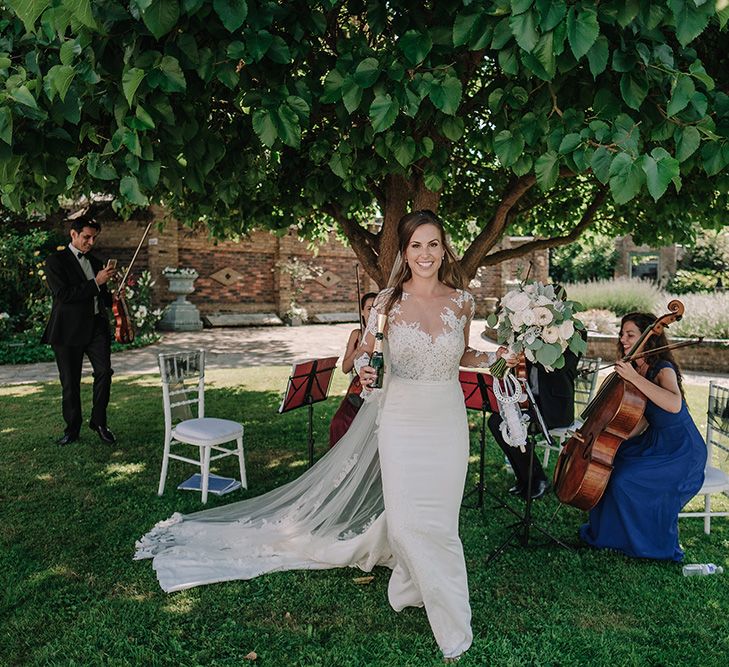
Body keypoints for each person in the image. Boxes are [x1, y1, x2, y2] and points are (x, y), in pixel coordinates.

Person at [135, 210, 513, 662]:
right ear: (405, 251)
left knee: (442, 521)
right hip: (402, 420)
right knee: (409, 522)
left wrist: (498, 358)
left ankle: (412, 586)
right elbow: (366, 358)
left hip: (447, 420)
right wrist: (368, 373)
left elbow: (462, 353)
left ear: (444, 247)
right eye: (416, 245)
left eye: (433, 244)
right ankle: (452, 624)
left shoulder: (463, 302)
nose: (425, 254)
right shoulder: (388, 303)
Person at [579, 312, 707, 561]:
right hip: (655, 441)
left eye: (630, 334)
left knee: (626, 479)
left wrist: (634, 378)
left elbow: (673, 404)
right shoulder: (639, 368)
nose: (624, 339)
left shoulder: (662, 368)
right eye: (622, 334)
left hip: (681, 449)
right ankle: (609, 536)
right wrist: (610, 438)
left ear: (647, 338)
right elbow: (644, 417)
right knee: (611, 466)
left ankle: (646, 544)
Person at [42, 218, 118, 446]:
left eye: (94, 238)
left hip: (96, 327)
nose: (91, 242)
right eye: (86, 237)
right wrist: (96, 282)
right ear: (73, 235)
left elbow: (101, 297)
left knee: (104, 372)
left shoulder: (95, 262)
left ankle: (99, 422)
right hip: (67, 331)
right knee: (70, 382)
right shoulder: (55, 261)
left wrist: (114, 294)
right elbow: (64, 295)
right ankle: (72, 429)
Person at [488, 347, 580, 500]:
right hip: (528, 401)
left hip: (554, 406)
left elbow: (561, 366)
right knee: (496, 422)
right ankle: (524, 478)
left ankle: (539, 479)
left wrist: (534, 349)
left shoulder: (574, 330)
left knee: (514, 424)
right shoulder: (527, 328)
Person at [329, 292, 377, 447]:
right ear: (362, 312)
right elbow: (345, 368)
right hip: (357, 389)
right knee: (339, 422)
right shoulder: (356, 334)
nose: (373, 312)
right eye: (369, 308)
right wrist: (360, 350)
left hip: (378, 385)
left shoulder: (384, 333)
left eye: (376, 308)